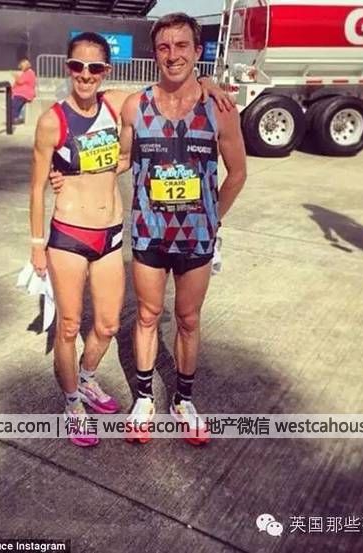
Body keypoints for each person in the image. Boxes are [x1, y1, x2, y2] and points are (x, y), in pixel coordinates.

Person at [34, 31, 232, 447]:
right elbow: (37, 186)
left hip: (112, 233)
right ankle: (73, 405)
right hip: (71, 230)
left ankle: (88, 379)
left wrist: (208, 82)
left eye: (94, 67)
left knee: (108, 324)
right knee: (70, 325)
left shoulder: (116, 102)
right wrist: (37, 243)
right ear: (68, 67)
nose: (85, 74)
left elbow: (172, 88)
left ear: (105, 71)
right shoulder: (53, 119)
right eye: (77, 66)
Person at [117, 13, 247, 445]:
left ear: (197, 50)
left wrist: (213, 219)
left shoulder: (219, 109)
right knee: (148, 315)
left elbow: (237, 174)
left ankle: (183, 401)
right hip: (149, 234)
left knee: (188, 319)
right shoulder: (135, 106)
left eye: (181, 45)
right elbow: (120, 159)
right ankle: (143, 399)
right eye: (163, 47)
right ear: (154, 53)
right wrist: (72, 170)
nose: (172, 55)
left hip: (196, 238)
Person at [11, 57, 36, 124]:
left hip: (23, 94)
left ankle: (14, 118)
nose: (21, 68)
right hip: (22, 93)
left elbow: (20, 81)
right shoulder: (27, 73)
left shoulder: (29, 73)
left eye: (21, 67)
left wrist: (16, 76)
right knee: (15, 105)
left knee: (15, 105)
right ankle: (14, 117)